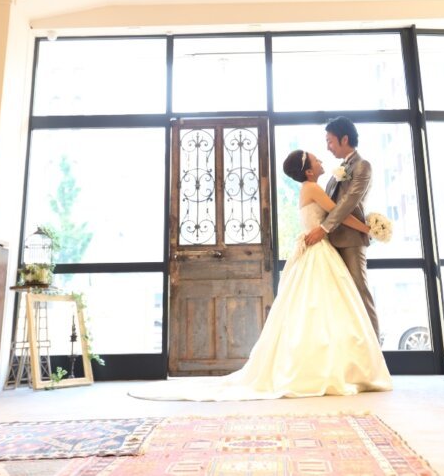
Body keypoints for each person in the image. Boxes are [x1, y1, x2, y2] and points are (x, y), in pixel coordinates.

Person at [128, 149, 391, 402]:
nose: (321, 160)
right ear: (309, 171)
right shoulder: (312, 188)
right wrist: (368, 228)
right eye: (315, 159)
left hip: (317, 249)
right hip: (318, 251)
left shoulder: (310, 187)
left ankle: (331, 364)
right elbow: (339, 214)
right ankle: (328, 368)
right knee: (324, 308)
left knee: (317, 310)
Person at [305, 116, 380, 339]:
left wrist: (323, 228)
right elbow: (329, 202)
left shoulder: (362, 166)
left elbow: (348, 202)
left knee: (359, 292)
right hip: (331, 241)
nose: (328, 147)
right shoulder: (340, 168)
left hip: (351, 240)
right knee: (341, 298)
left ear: (344, 139)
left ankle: (375, 349)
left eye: (330, 141)